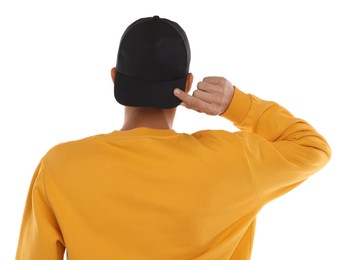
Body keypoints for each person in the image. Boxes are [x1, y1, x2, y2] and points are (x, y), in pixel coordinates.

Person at [16, 16, 331, 260]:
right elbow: (312, 147)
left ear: (114, 78)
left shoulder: (60, 165)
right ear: (188, 81)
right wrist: (235, 103)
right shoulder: (233, 159)